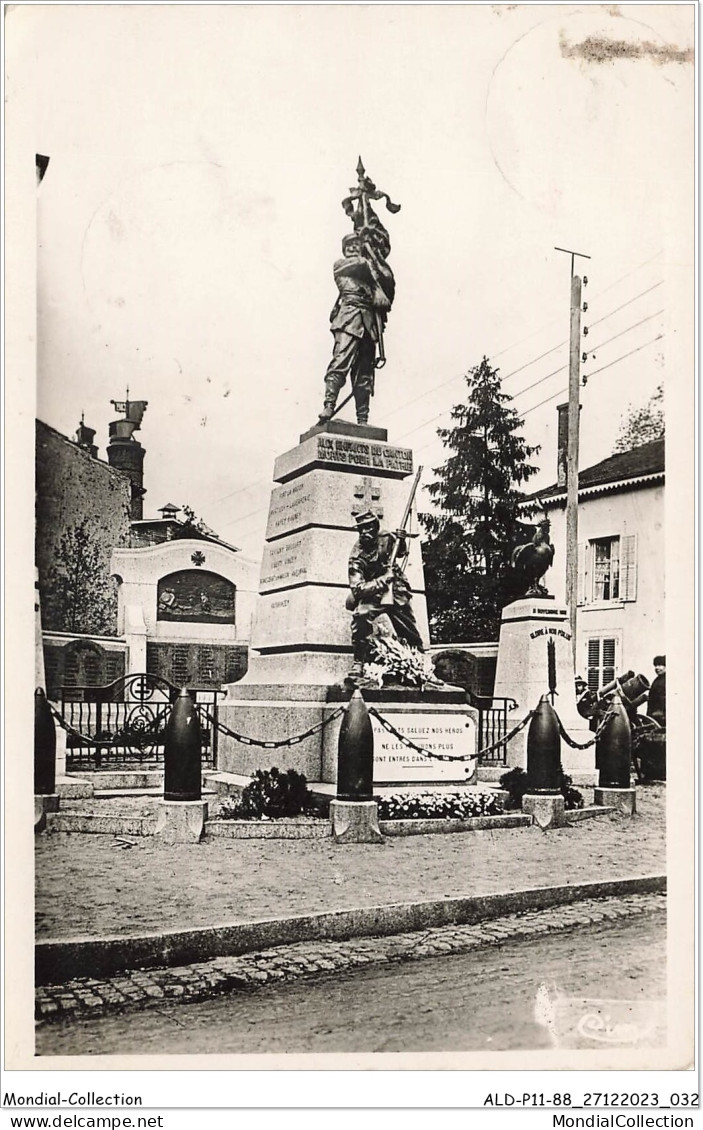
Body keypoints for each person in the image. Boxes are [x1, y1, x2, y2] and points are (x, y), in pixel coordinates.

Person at [318, 231, 394, 426]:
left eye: (356, 245)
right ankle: (328, 404)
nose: (353, 248)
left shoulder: (370, 278)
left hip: (368, 325)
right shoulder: (342, 265)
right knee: (340, 362)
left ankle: (363, 419)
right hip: (348, 320)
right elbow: (360, 265)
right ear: (344, 250)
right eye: (349, 246)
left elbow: (385, 289)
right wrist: (369, 262)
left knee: (364, 374)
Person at [346, 510, 424, 678]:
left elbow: (401, 552)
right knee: (361, 615)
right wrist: (382, 580)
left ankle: (421, 663)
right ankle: (359, 662)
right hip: (372, 592)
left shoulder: (386, 537)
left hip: (395, 590)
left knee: (409, 628)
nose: (365, 533)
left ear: (375, 527)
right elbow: (357, 588)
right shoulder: (356, 556)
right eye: (361, 529)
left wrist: (401, 540)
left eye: (368, 528)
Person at [647, 655, 666, 727]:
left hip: (661, 718)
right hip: (655, 716)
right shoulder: (657, 680)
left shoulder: (666, 680)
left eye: (660, 665)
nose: (657, 668)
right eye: (655, 665)